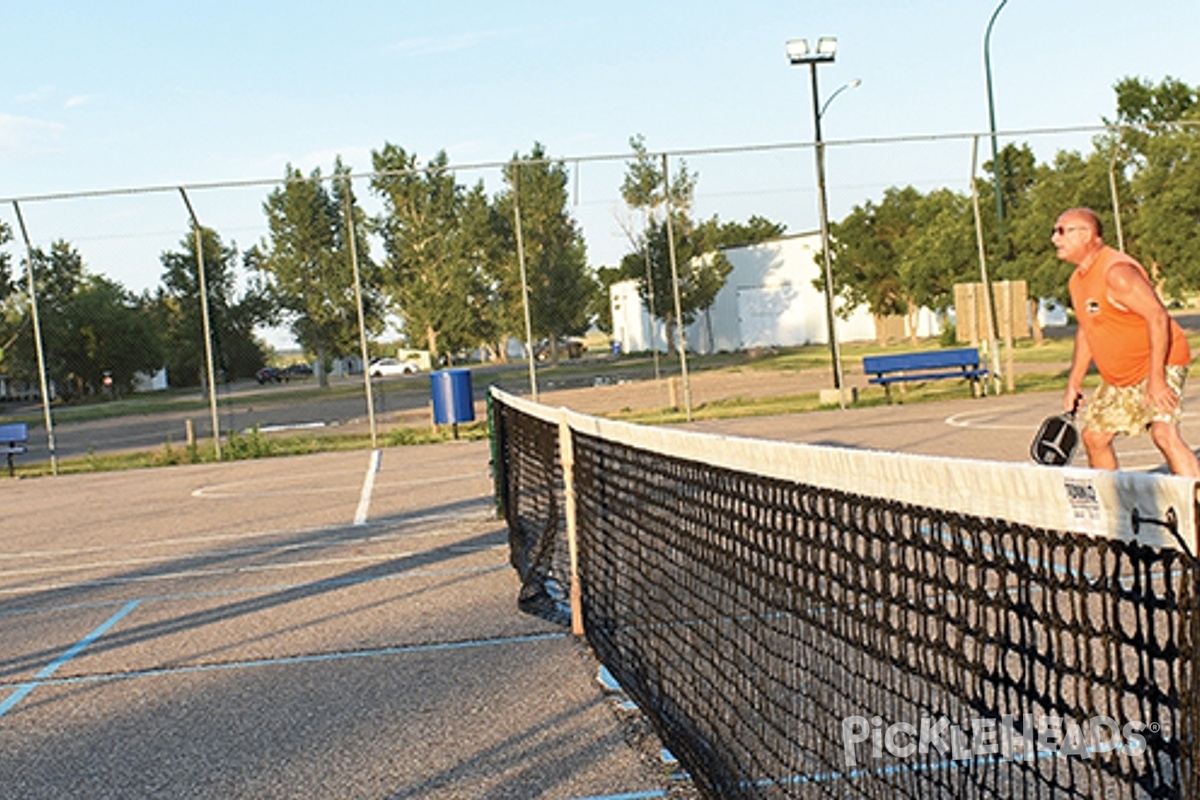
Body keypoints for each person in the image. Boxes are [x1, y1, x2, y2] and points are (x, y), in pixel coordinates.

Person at [1055, 207, 1200, 476]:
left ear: (1087, 235)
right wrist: (1074, 383)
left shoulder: (1117, 272)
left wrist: (1157, 379)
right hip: (1122, 375)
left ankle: (1195, 507)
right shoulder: (1077, 281)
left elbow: (1158, 317)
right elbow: (1087, 330)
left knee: (1163, 433)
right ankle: (1115, 512)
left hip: (1162, 360)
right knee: (1094, 437)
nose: (1055, 238)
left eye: (1062, 231)